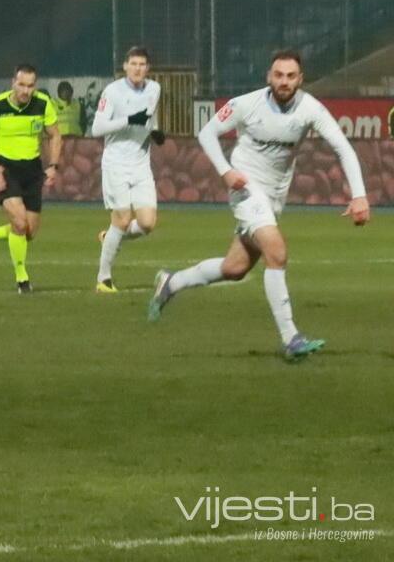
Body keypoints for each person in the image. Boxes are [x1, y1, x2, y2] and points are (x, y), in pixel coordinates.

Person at [147, 50, 370, 360]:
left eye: (291, 76)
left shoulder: (310, 109)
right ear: (269, 76)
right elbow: (207, 133)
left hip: (275, 195)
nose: (284, 81)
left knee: (235, 268)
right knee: (276, 252)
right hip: (245, 187)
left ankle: (171, 282)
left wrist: (359, 194)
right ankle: (291, 339)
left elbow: (343, 148)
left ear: (300, 80)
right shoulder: (245, 104)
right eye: (279, 75)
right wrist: (226, 171)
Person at [0, 64, 62, 293]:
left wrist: (52, 166)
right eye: (21, 84)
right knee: (19, 224)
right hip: (6, 169)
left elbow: (55, 135)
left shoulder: (42, 104)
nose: (25, 90)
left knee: (28, 232)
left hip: (32, 170)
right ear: (13, 82)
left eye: (30, 86)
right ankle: (22, 279)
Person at [91, 46, 164, 293]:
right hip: (116, 163)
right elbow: (97, 129)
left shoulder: (155, 89)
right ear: (125, 66)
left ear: (148, 68)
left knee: (147, 223)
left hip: (141, 163)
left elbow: (148, 118)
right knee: (121, 220)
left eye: (142, 64)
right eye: (133, 64)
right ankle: (104, 278)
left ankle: (109, 237)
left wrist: (155, 131)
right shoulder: (112, 92)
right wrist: (128, 120)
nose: (138, 68)